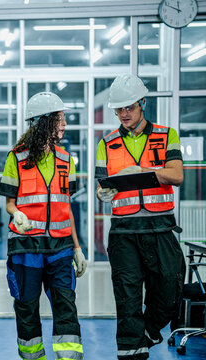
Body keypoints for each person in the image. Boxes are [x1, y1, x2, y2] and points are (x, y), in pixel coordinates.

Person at [95, 74, 185, 360]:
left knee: (171, 285)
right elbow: (102, 184)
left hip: (160, 228)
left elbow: (177, 175)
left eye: (128, 108)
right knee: (127, 296)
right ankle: (131, 353)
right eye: (118, 110)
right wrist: (102, 193)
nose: (123, 114)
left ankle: (149, 332)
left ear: (142, 103)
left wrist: (146, 174)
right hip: (123, 232)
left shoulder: (165, 134)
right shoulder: (106, 143)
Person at [0, 91, 87, 360]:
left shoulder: (65, 160)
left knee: (65, 307)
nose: (64, 124)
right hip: (26, 246)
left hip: (60, 247)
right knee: (26, 307)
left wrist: (77, 247)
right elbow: (10, 203)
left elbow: (65, 205)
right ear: (44, 122)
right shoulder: (16, 158)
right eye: (60, 118)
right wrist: (17, 215)